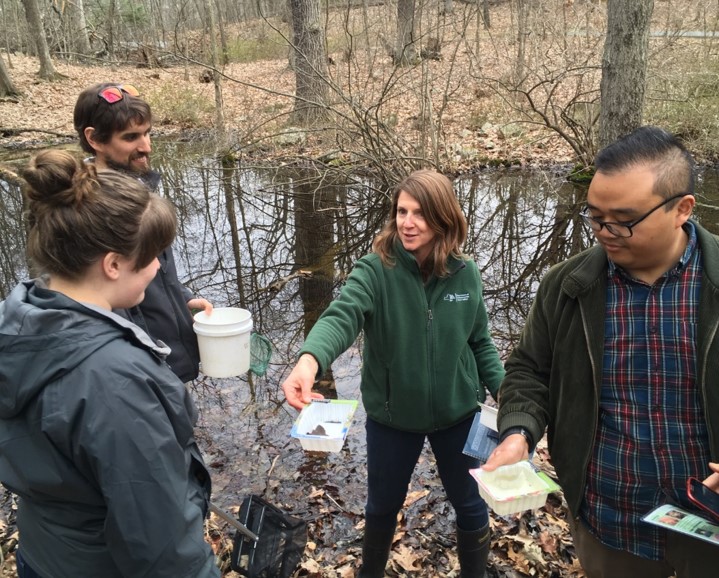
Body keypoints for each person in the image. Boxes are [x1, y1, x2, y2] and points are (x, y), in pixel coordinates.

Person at [483, 126, 719, 577]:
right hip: (609, 522)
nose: (605, 233)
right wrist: (519, 431)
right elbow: (530, 369)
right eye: (594, 217)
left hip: (709, 524)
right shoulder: (567, 287)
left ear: (681, 210)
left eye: (624, 220)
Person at [0, 150, 220, 578]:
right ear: (113, 264)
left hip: (44, 552)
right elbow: (162, 545)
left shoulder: (23, 321)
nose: (158, 267)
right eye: (152, 256)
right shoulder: (115, 382)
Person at [282, 169, 505, 577]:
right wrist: (309, 360)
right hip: (392, 418)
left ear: (443, 218)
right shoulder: (374, 270)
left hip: (459, 415)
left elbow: (480, 343)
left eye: (419, 213)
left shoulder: (465, 272)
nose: (407, 222)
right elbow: (342, 316)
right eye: (402, 211)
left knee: (471, 504)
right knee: (382, 505)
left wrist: (507, 396)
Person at [73, 82, 212, 382]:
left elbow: (152, 272)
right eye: (131, 137)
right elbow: (107, 309)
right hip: (140, 373)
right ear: (94, 139)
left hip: (166, 365)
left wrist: (183, 300)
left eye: (148, 133)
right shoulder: (86, 213)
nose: (146, 147)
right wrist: (150, 371)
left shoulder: (140, 190)